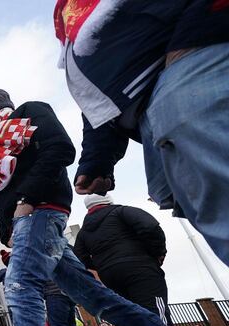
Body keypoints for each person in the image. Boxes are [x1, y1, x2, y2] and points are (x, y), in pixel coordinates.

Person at [0, 87, 229, 326]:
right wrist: (10, 232)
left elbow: (60, 149)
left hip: (41, 211)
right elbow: (3, 198)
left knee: (20, 285)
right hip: (28, 221)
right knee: (98, 299)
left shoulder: (28, 112)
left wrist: (26, 201)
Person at [53, 1, 229, 266]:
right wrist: (96, 161)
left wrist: (194, 37)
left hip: (193, 59)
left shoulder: (121, 215)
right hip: (150, 110)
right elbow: (97, 103)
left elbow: (147, 228)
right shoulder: (69, 13)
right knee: (185, 198)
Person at [73, 193, 181, 326]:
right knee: (156, 313)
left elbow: (79, 257)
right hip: (140, 267)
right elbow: (150, 227)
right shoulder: (123, 211)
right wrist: (157, 253)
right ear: (109, 200)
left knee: (138, 317)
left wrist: (100, 267)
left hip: (110, 275)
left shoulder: (84, 232)